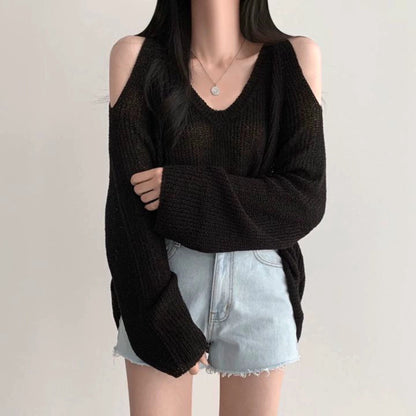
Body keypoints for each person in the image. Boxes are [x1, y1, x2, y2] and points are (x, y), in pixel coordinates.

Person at [105, 0, 326, 414]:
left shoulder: (294, 59)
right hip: (161, 279)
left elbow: (304, 199)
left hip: (259, 283)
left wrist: (185, 193)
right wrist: (161, 321)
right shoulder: (135, 57)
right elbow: (125, 214)